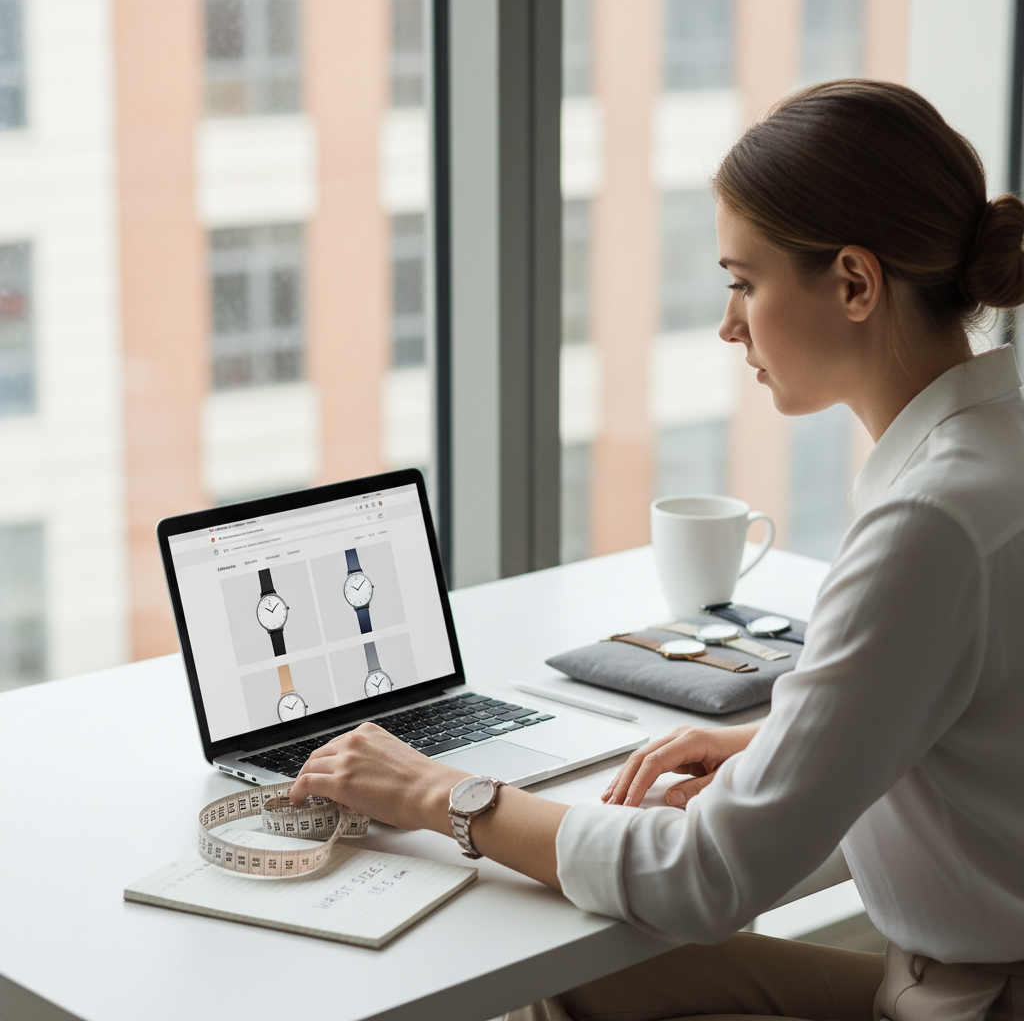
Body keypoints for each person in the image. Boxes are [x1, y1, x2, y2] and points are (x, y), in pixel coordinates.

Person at [289, 80, 1024, 1020]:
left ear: (854, 282)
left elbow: (707, 877)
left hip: (968, 1005)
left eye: (744, 282)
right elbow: (978, 736)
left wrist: (441, 793)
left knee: (559, 990)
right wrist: (774, 750)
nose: (730, 325)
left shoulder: (931, 521)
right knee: (581, 976)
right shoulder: (988, 458)